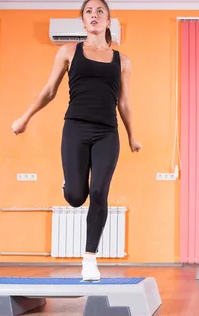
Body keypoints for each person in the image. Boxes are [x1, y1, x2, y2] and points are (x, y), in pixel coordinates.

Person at [11, 0, 141, 281]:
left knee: (99, 193)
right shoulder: (69, 52)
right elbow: (49, 91)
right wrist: (24, 118)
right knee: (75, 197)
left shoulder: (123, 61)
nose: (94, 15)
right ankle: (70, 186)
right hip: (75, 129)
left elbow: (125, 103)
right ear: (83, 22)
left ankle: (89, 259)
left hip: (107, 132)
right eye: (88, 12)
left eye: (100, 12)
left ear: (108, 21)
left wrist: (132, 135)